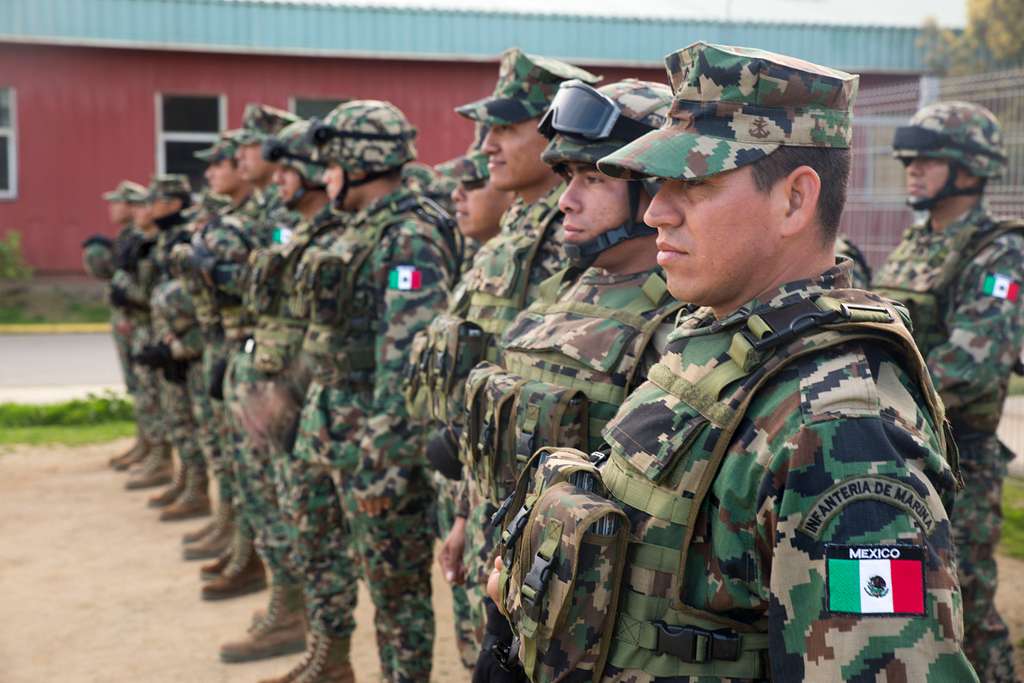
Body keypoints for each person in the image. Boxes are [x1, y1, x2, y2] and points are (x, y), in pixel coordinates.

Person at [489, 41, 977, 682]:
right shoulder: (715, 338)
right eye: (659, 183)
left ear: (796, 201)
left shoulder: (841, 427)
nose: (657, 209)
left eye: (693, 182)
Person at [459, 79, 687, 680]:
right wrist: (465, 520)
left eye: (593, 179)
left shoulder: (677, 322)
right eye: (566, 179)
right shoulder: (561, 291)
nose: (567, 200)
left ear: (652, 186)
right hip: (518, 588)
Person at [408, 47, 600, 646]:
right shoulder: (515, 229)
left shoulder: (575, 236)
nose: (486, 144)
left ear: (553, 130)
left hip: (536, 509)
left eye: (505, 128)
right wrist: (465, 509)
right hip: (488, 489)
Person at [279, 99, 458, 683]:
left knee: (395, 588)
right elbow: (326, 331)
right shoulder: (351, 228)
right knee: (318, 549)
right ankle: (330, 660)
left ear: (359, 162)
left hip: (378, 444)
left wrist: (386, 456)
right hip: (327, 426)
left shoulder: (410, 237)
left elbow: (410, 361)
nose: (323, 176)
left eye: (330, 164)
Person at [873, 100, 1023, 682]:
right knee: (905, 601)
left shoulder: (1000, 252)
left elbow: (974, 362)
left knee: (967, 610)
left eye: (928, 159)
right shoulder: (919, 242)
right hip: (903, 448)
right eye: (909, 158)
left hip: (961, 462)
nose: (912, 168)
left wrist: (879, 402)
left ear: (969, 168)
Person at [429, 137, 515, 671]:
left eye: (472, 184)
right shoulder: (488, 263)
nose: (457, 197)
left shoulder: (543, 271)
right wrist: (462, 514)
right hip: (478, 497)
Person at [111, 182, 174, 491]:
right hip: (141, 326)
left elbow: (155, 294)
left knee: (160, 399)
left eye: (143, 204)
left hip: (154, 328)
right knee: (145, 393)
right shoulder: (141, 242)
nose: (138, 211)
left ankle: (162, 458)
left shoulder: (164, 244)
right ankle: (150, 448)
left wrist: (129, 294)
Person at [88, 180, 149, 470]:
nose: (113, 208)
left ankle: (154, 448)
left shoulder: (141, 238)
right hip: (127, 318)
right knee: (136, 386)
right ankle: (145, 442)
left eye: (118, 202)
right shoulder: (127, 236)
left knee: (147, 388)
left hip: (139, 321)